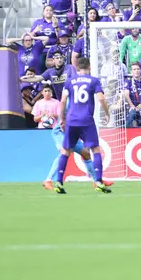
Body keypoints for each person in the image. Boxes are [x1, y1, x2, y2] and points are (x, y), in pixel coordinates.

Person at [54, 58, 111, 194]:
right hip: (86, 120)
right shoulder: (93, 80)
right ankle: (98, 181)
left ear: (77, 68)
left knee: (65, 151)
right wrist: (107, 113)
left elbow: (62, 101)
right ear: (89, 67)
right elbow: (101, 98)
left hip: (71, 120)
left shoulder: (69, 81)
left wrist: (61, 118)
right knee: (95, 149)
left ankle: (59, 182)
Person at [42, 100, 114, 191]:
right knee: (64, 152)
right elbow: (63, 114)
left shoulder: (86, 102)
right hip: (61, 132)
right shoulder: (71, 101)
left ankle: (97, 181)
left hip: (74, 131)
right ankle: (48, 180)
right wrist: (63, 124)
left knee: (86, 153)